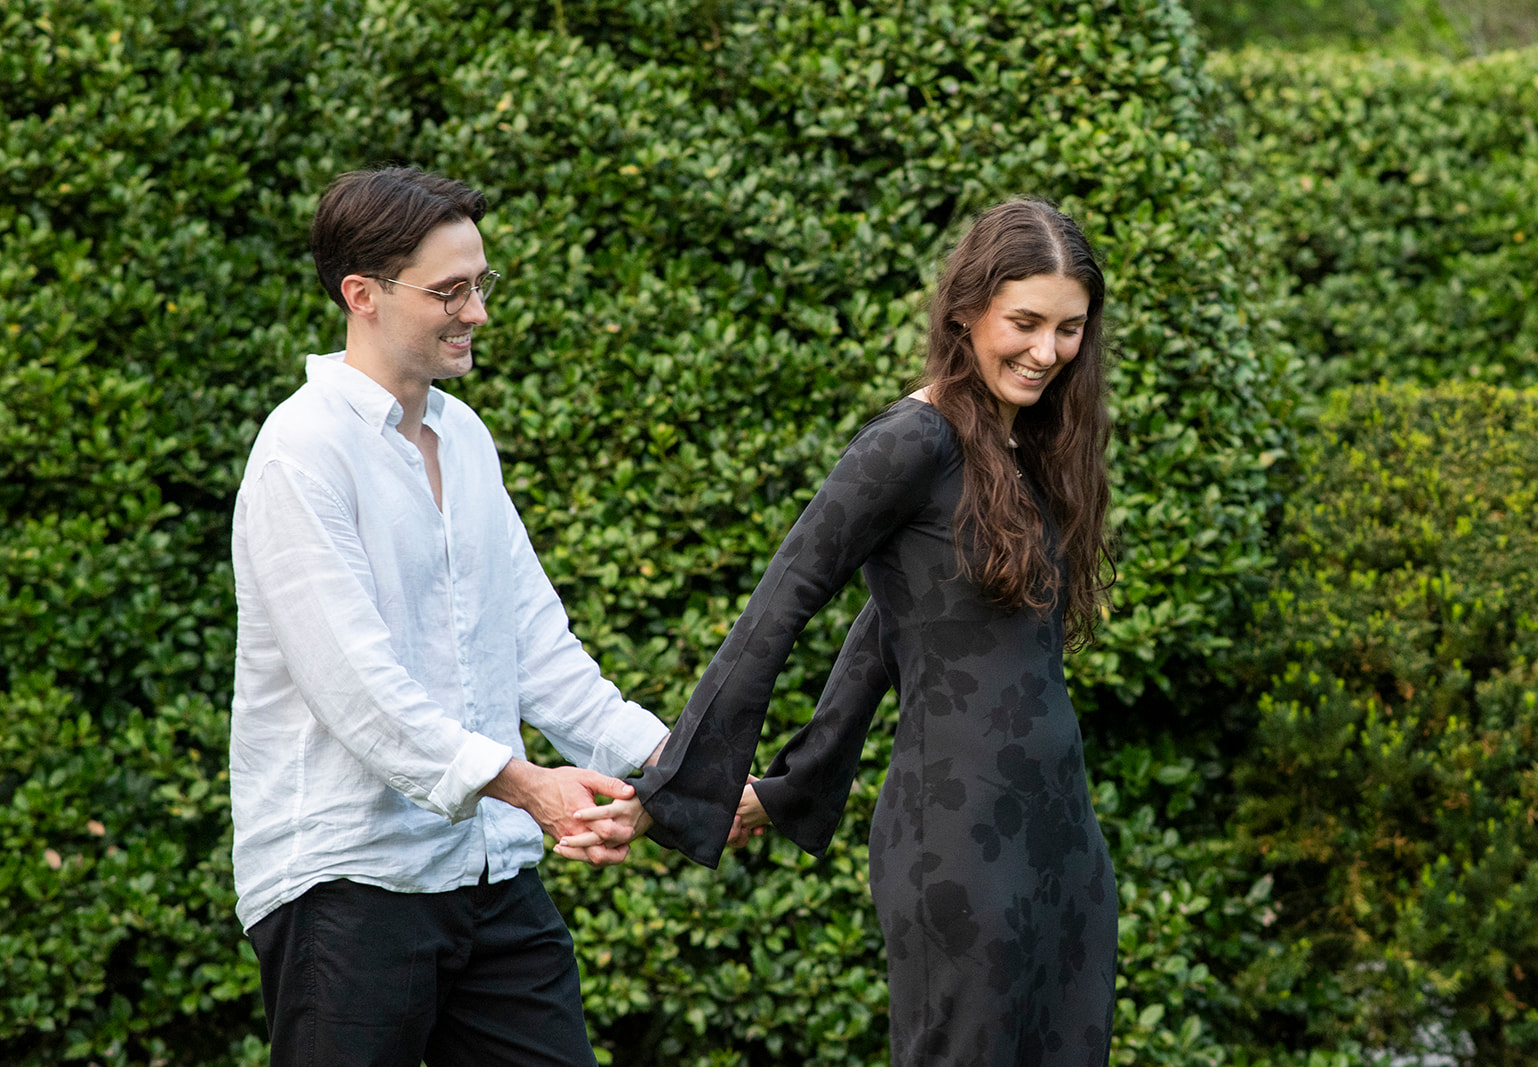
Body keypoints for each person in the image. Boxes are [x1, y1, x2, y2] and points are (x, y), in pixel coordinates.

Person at [569, 198, 1119, 1064]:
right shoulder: (912, 441)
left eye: (1069, 328)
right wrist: (679, 787)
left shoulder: (1030, 449)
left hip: (1064, 843)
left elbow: (888, 625)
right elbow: (780, 605)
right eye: (1024, 322)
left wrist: (793, 783)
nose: (1045, 351)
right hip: (961, 844)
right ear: (966, 310)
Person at [229, 165, 669, 1067]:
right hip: (347, 883)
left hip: (490, 872)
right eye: (451, 290)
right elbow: (360, 692)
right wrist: (532, 786)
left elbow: (541, 654)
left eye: (482, 284)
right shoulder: (302, 449)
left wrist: (684, 767)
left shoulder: (464, 438)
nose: (477, 312)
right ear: (363, 295)